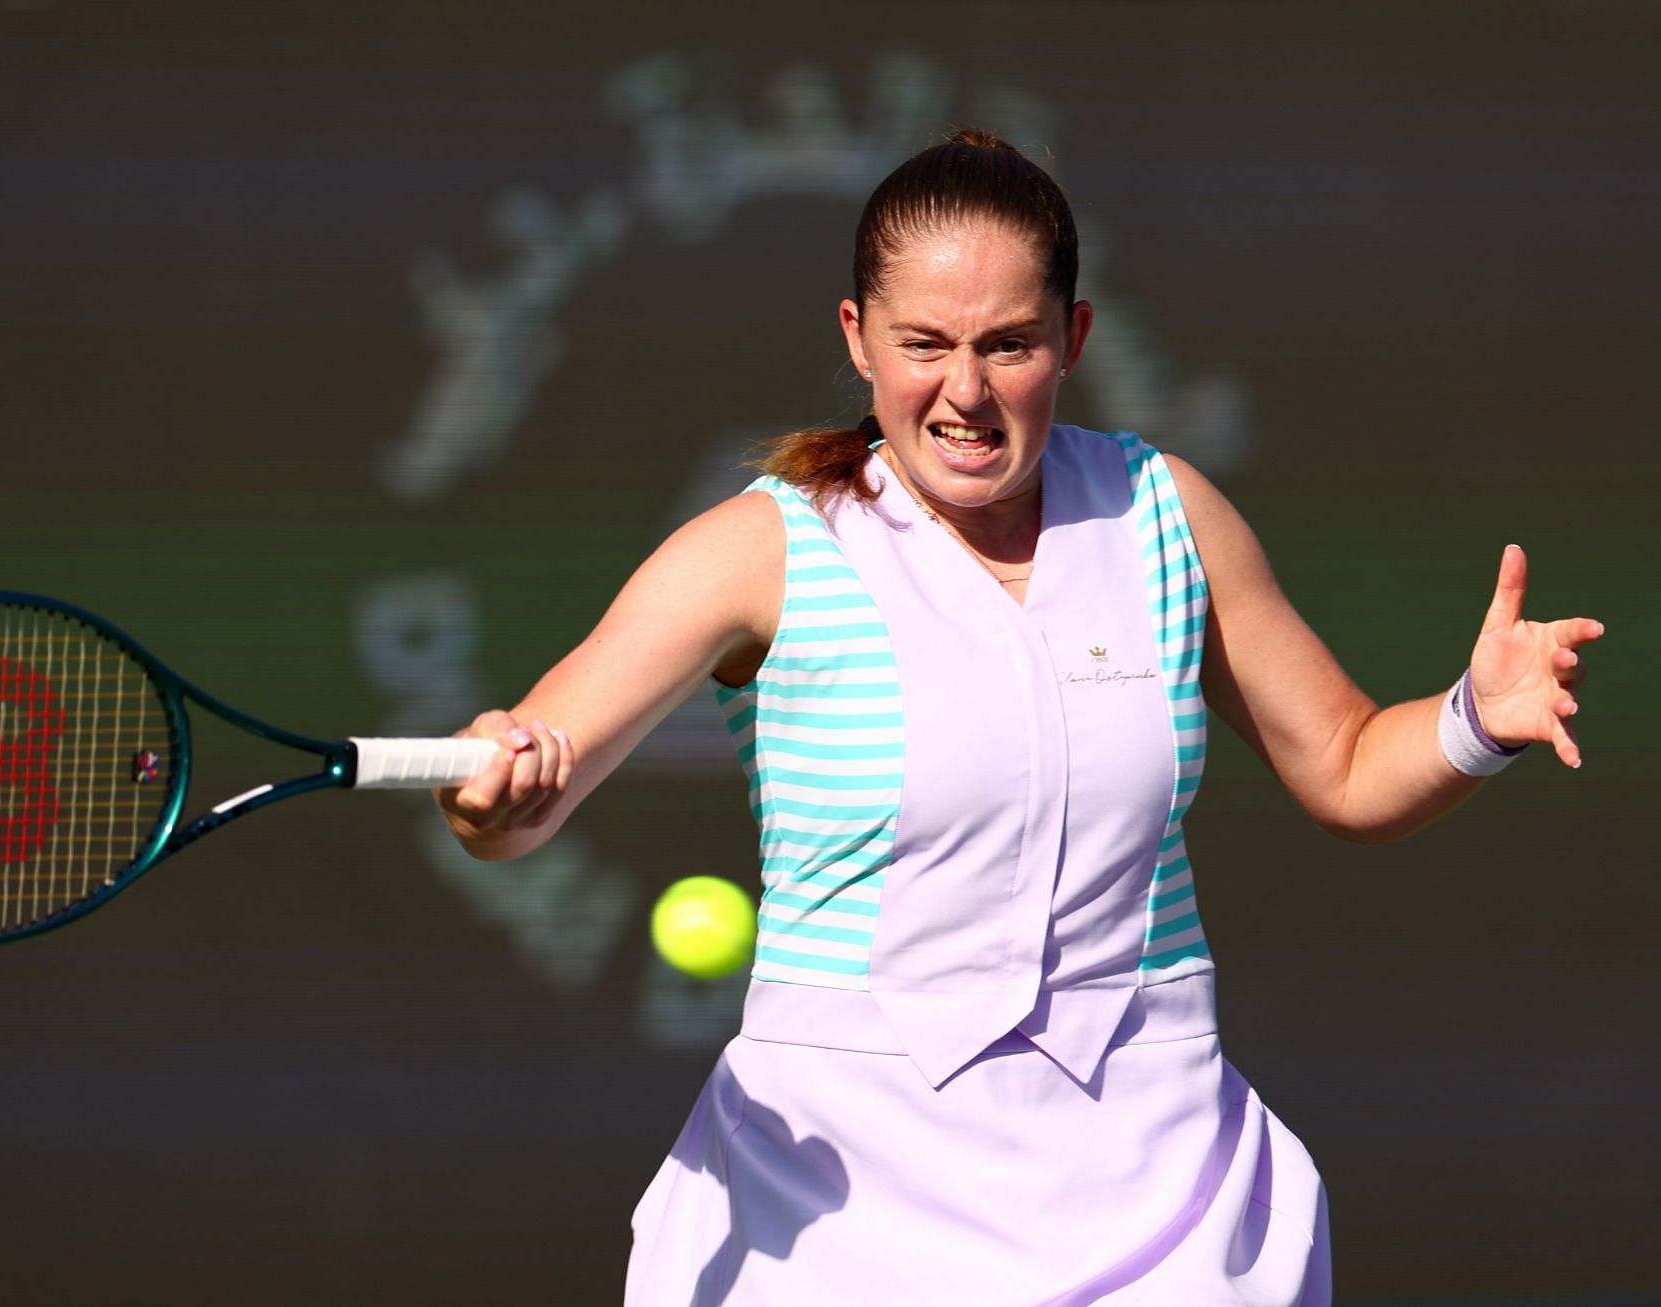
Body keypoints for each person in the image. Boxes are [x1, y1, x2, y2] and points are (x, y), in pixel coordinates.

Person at [433, 130, 1603, 1306]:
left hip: (1159, 1189)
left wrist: (1475, 718)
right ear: (856, 339)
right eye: (924, 345)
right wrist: (499, 791)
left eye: (1010, 345)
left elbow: (1347, 765)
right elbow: (534, 776)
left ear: (1073, 339)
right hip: (831, 1203)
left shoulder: (1165, 512)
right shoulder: (761, 545)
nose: (966, 390)